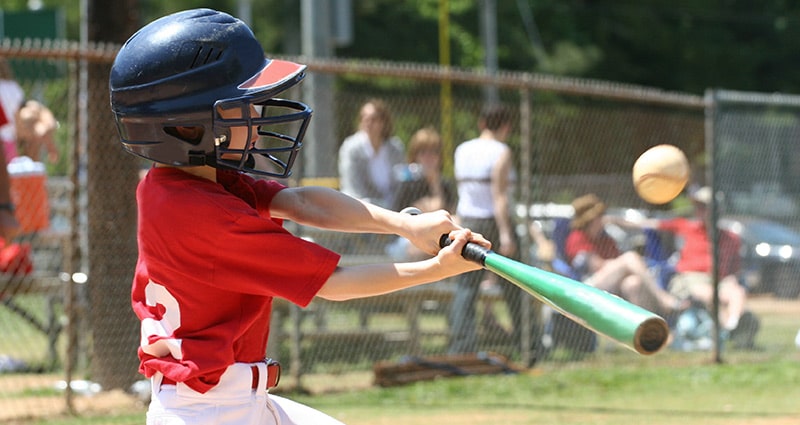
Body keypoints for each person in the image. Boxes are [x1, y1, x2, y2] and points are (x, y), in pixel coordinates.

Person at [109, 9, 489, 425]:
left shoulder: (182, 184)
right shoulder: (206, 218)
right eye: (242, 108)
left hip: (227, 401)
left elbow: (304, 203)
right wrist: (437, 268)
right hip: (211, 412)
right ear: (187, 128)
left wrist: (405, 224)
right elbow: (335, 282)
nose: (257, 116)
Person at [616, 186, 755, 347]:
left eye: (705, 207)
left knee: (738, 292)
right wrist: (613, 220)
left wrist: (732, 279)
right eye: (698, 207)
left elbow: (735, 270)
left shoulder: (731, 238)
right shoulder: (687, 227)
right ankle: (723, 333)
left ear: (717, 210)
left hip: (719, 281)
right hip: (690, 279)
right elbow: (647, 224)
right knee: (709, 294)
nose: (700, 211)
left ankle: (731, 326)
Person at [448, 103, 522, 355]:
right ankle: (528, 344)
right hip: (492, 221)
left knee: (466, 288)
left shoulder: (462, 149)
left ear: (482, 124)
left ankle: (461, 347)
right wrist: (505, 234)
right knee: (516, 283)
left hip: (467, 220)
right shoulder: (501, 151)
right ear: (506, 126)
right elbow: (498, 196)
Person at [565, 193, 686, 318]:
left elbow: (616, 262)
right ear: (589, 220)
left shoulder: (605, 239)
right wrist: (626, 264)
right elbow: (597, 266)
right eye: (599, 216)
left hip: (611, 282)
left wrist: (625, 265)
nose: (603, 219)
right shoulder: (577, 238)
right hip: (586, 289)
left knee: (633, 283)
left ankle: (645, 328)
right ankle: (662, 297)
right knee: (630, 258)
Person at [338, 98, 406, 209]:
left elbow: (401, 183)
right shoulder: (351, 148)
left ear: (384, 122)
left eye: (373, 119)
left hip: (393, 207)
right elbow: (353, 188)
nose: (368, 123)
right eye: (364, 118)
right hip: (361, 207)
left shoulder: (395, 148)